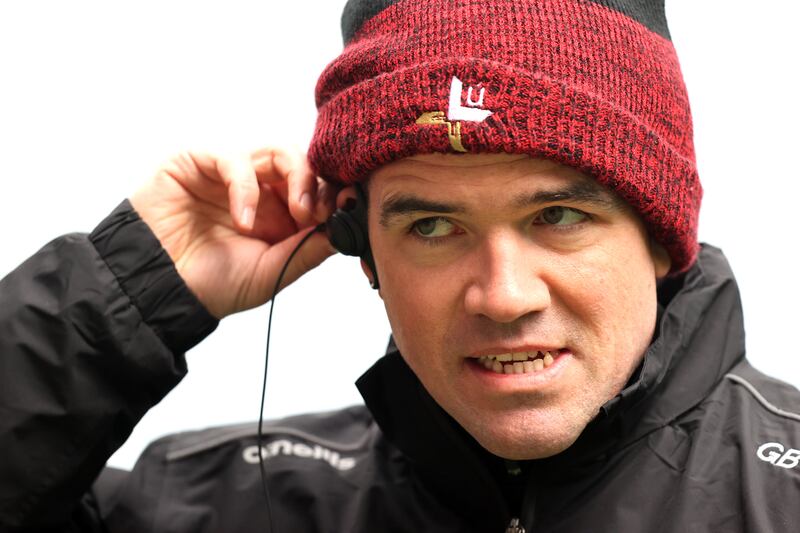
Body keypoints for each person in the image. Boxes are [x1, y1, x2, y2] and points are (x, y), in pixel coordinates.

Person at [1, 1, 799, 532]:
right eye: (433, 226)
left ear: (660, 235)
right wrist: (130, 287)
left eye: (557, 217)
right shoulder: (228, 504)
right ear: (364, 253)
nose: (503, 296)